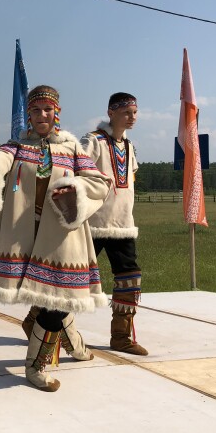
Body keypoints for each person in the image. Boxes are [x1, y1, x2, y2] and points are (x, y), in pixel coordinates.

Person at [0, 85, 111, 391]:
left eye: (48, 109)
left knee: (58, 301)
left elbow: (98, 182)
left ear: (56, 113)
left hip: (61, 234)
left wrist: (75, 191)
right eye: (36, 110)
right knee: (55, 300)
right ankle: (41, 364)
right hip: (24, 232)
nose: (42, 115)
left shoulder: (72, 148)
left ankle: (50, 356)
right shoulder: (16, 147)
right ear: (29, 115)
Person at [79, 92, 148, 355]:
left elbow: (132, 177)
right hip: (92, 224)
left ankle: (121, 336)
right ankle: (40, 324)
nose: (132, 117)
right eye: (126, 112)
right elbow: (75, 169)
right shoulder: (93, 141)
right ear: (111, 112)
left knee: (130, 278)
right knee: (72, 277)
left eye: (135, 112)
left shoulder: (129, 146)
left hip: (122, 225)